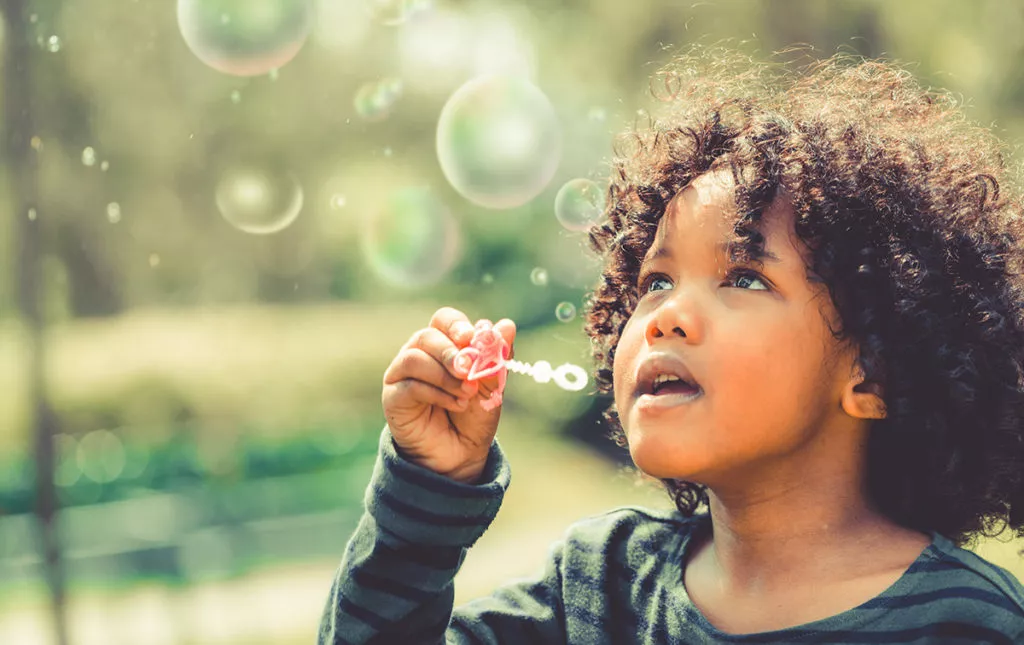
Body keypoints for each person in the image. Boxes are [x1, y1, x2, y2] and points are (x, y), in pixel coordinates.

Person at [318, 47, 1024, 644]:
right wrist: (426, 485)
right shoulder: (596, 588)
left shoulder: (966, 621)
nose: (666, 316)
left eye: (743, 276)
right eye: (655, 280)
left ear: (876, 371)